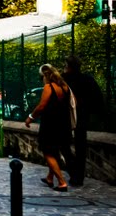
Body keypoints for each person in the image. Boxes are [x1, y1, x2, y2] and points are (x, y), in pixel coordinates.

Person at [25, 63, 73, 192]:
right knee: (55, 151)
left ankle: (62, 182)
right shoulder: (64, 86)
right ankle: (50, 178)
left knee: (47, 152)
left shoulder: (49, 87)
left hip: (51, 124)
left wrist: (30, 117)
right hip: (64, 123)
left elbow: (41, 106)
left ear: (44, 76)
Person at [63, 56, 102, 186]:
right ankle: (78, 175)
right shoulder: (88, 79)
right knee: (80, 147)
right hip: (82, 116)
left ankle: (74, 172)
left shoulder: (64, 80)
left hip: (68, 116)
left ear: (69, 66)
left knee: (64, 145)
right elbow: (98, 98)